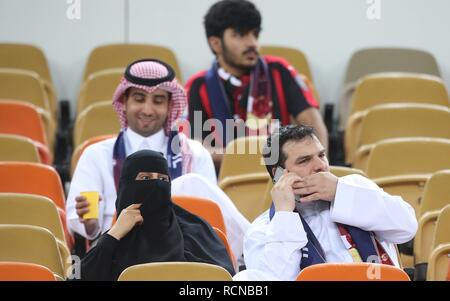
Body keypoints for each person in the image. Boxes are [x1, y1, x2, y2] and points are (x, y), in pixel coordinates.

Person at [67, 59, 249, 261]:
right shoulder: (96, 155)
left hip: (182, 254)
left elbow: (208, 218)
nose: (147, 110)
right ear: (124, 101)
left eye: (158, 100)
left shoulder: (194, 153)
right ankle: (251, 248)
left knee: (192, 185)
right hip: (118, 255)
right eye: (139, 98)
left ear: (170, 105)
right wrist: (90, 224)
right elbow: (83, 224)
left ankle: (247, 254)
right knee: (191, 184)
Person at [233, 125, 417, 281]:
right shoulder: (262, 229)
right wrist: (284, 215)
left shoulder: (355, 186)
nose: (320, 166)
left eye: (321, 155)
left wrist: (340, 192)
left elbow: (407, 228)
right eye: (304, 161)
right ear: (279, 174)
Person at [186, 0, 328, 169]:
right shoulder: (197, 86)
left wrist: (318, 167)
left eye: (255, 34)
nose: (252, 43)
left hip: (285, 177)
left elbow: (313, 124)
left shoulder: (279, 71)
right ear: (215, 43)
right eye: (240, 34)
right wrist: (254, 156)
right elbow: (196, 149)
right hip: (224, 183)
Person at [78, 150, 235, 281]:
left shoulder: (195, 231)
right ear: (127, 185)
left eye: (162, 179)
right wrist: (114, 235)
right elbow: (80, 277)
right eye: (145, 178)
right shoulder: (115, 241)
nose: (157, 185)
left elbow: (223, 278)